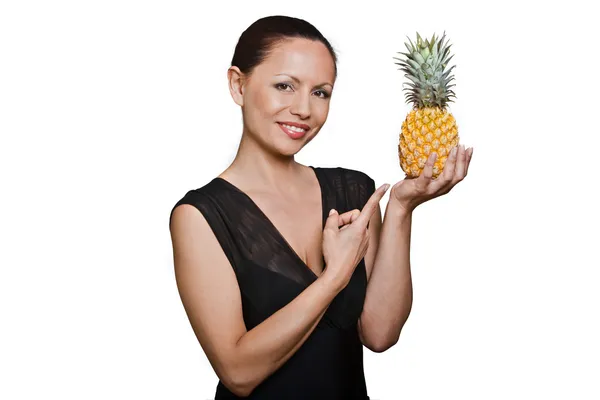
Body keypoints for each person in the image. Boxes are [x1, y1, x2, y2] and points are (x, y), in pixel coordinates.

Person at [169, 15, 472, 400]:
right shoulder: (199, 216)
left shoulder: (353, 190)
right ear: (238, 84)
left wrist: (401, 208)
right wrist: (335, 277)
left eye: (320, 92)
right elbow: (238, 372)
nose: (303, 110)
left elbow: (380, 335)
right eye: (284, 86)